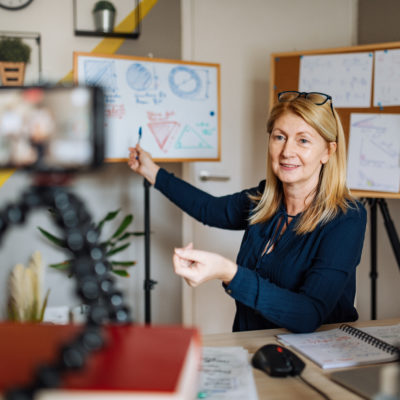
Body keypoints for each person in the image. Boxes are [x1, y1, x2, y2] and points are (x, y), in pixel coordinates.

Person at [128, 91, 367, 333]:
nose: (286, 151)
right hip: (255, 346)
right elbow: (208, 209)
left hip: (316, 357)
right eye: (279, 137)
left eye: (303, 140)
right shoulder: (264, 199)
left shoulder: (346, 218)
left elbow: (308, 314)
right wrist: (151, 171)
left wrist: (228, 272)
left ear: (328, 151)